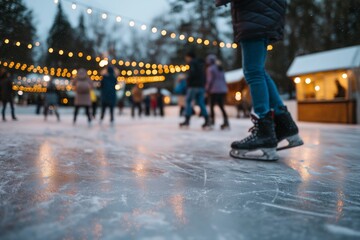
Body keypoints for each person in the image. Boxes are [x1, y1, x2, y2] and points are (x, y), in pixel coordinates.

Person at [216, 0, 303, 160]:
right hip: (265, 13)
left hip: (254, 14)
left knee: (252, 72)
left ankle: (264, 133)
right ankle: (285, 125)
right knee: (258, 71)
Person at [179, 51, 211, 129]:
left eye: (186, 57)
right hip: (201, 86)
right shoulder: (201, 64)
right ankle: (207, 119)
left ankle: (187, 120)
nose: (186, 59)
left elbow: (192, 74)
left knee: (188, 101)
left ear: (189, 57)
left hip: (193, 86)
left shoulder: (192, 63)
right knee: (201, 102)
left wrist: (187, 79)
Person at [206, 54, 229, 130]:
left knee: (212, 106)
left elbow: (210, 80)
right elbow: (224, 79)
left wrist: (207, 89)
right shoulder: (220, 68)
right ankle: (226, 122)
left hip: (214, 90)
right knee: (221, 106)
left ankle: (212, 122)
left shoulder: (210, 69)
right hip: (222, 90)